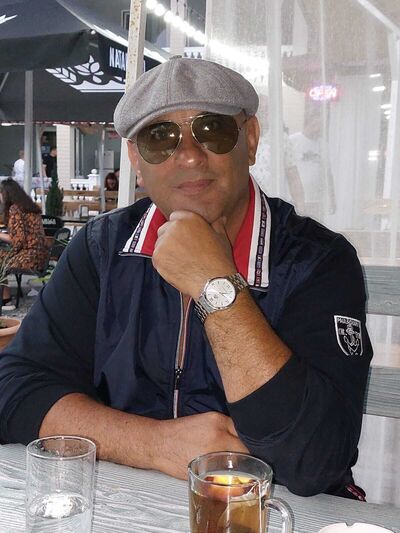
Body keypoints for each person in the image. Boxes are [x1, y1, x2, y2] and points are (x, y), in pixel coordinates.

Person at [0, 58, 372, 500]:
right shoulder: (102, 249)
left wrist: (216, 284)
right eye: (160, 137)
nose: (191, 155)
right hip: (128, 504)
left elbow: (317, 459)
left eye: (213, 130)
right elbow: (15, 389)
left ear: (251, 140)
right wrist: (154, 444)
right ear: (137, 160)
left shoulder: (317, 261)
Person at [0, 178, 48, 308]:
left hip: (29, 258)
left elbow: (18, 241)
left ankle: (5, 299)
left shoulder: (15, 209)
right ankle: (5, 296)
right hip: (40, 255)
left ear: (6, 194)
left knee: (0, 259)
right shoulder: (29, 207)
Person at [290, 111, 336, 221]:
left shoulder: (323, 145)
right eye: (317, 123)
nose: (319, 128)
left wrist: (332, 198)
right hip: (297, 200)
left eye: (321, 124)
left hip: (317, 200)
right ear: (309, 122)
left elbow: (328, 173)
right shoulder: (292, 141)